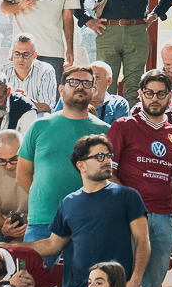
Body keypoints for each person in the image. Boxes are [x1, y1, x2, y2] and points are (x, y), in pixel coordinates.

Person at [25, 132, 149, 287]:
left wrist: (135, 280)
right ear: (81, 165)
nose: (107, 160)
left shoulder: (128, 196)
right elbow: (51, 245)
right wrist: (11, 246)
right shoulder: (68, 203)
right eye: (99, 156)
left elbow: (143, 240)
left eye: (108, 155)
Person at [109, 69, 172, 287]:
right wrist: (131, 203)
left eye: (161, 94)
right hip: (129, 219)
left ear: (170, 97)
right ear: (140, 94)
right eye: (150, 93)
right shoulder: (123, 126)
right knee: (127, 286)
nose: (155, 99)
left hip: (164, 220)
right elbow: (109, 172)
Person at [18, 67, 111, 265]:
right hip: (43, 218)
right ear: (61, 89)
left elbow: (109, 177)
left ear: (93, 90)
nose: (80, 87)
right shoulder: (39, 126)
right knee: (29, 283)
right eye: (73, 82)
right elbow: (23, 174)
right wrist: (44, 198)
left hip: (88, 221)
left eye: (87, 83)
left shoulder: (105, 131)